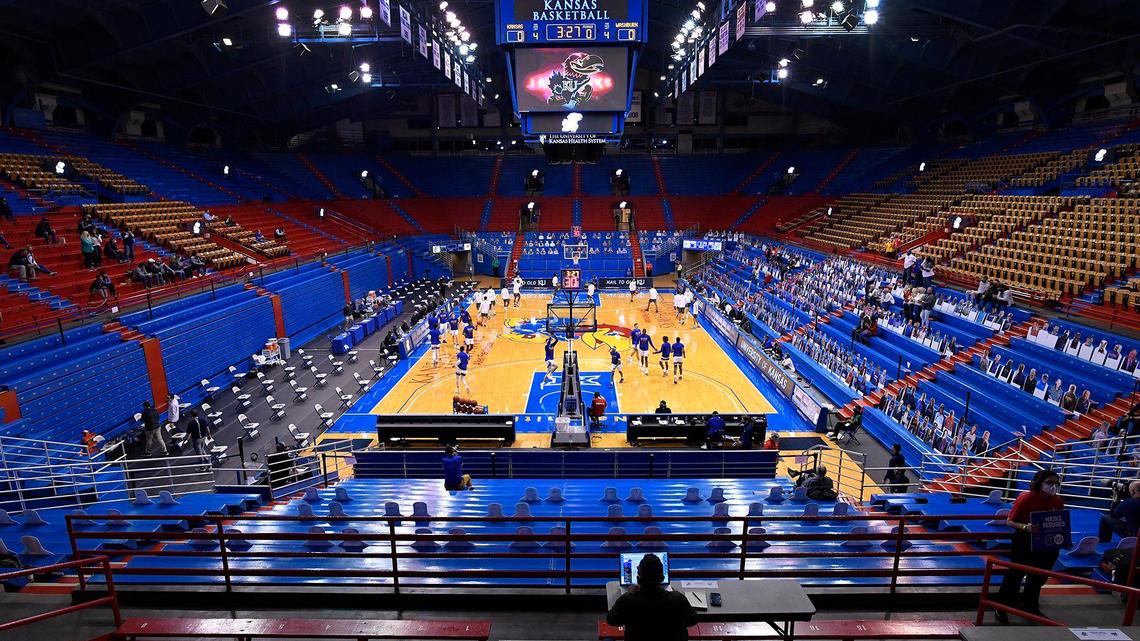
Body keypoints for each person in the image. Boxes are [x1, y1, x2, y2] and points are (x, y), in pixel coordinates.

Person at [994, 469, 1064, 623]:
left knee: (1038, 577)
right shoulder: (1026, 498)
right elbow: (1010, 521)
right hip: (1024, 541)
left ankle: (1030, 607)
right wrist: (1026, 527)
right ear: (1039, 483)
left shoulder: (1057, 501)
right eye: (1049, 483)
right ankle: (1002, 606)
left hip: (1046, 544)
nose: (1053, 486)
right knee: (1015, 575)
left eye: (1056, 483)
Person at [605, 552, 698, 641]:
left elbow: (611, 619)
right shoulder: (678, 599)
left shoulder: (627, 600)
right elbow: (692, 620)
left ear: (638, 579)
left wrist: (629, 593)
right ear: (662, 578)